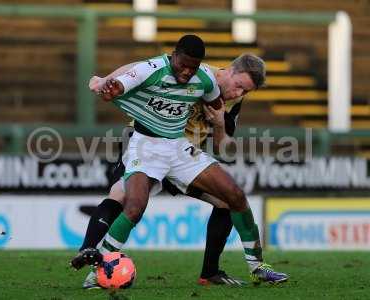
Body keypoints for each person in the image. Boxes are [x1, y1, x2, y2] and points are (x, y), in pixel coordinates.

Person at [71, 36, 288, 287]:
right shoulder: (184, 71)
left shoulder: (217, 92)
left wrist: (219, 121)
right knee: (129, 203)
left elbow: (221, 144)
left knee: (232, 198)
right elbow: (135, 70)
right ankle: (95, 264)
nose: (238, 94)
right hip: (145, 143)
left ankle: (241, 269)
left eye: (245, 91)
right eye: (239, 86)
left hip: (181, 151)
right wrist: (106, 81)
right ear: (229, 71)